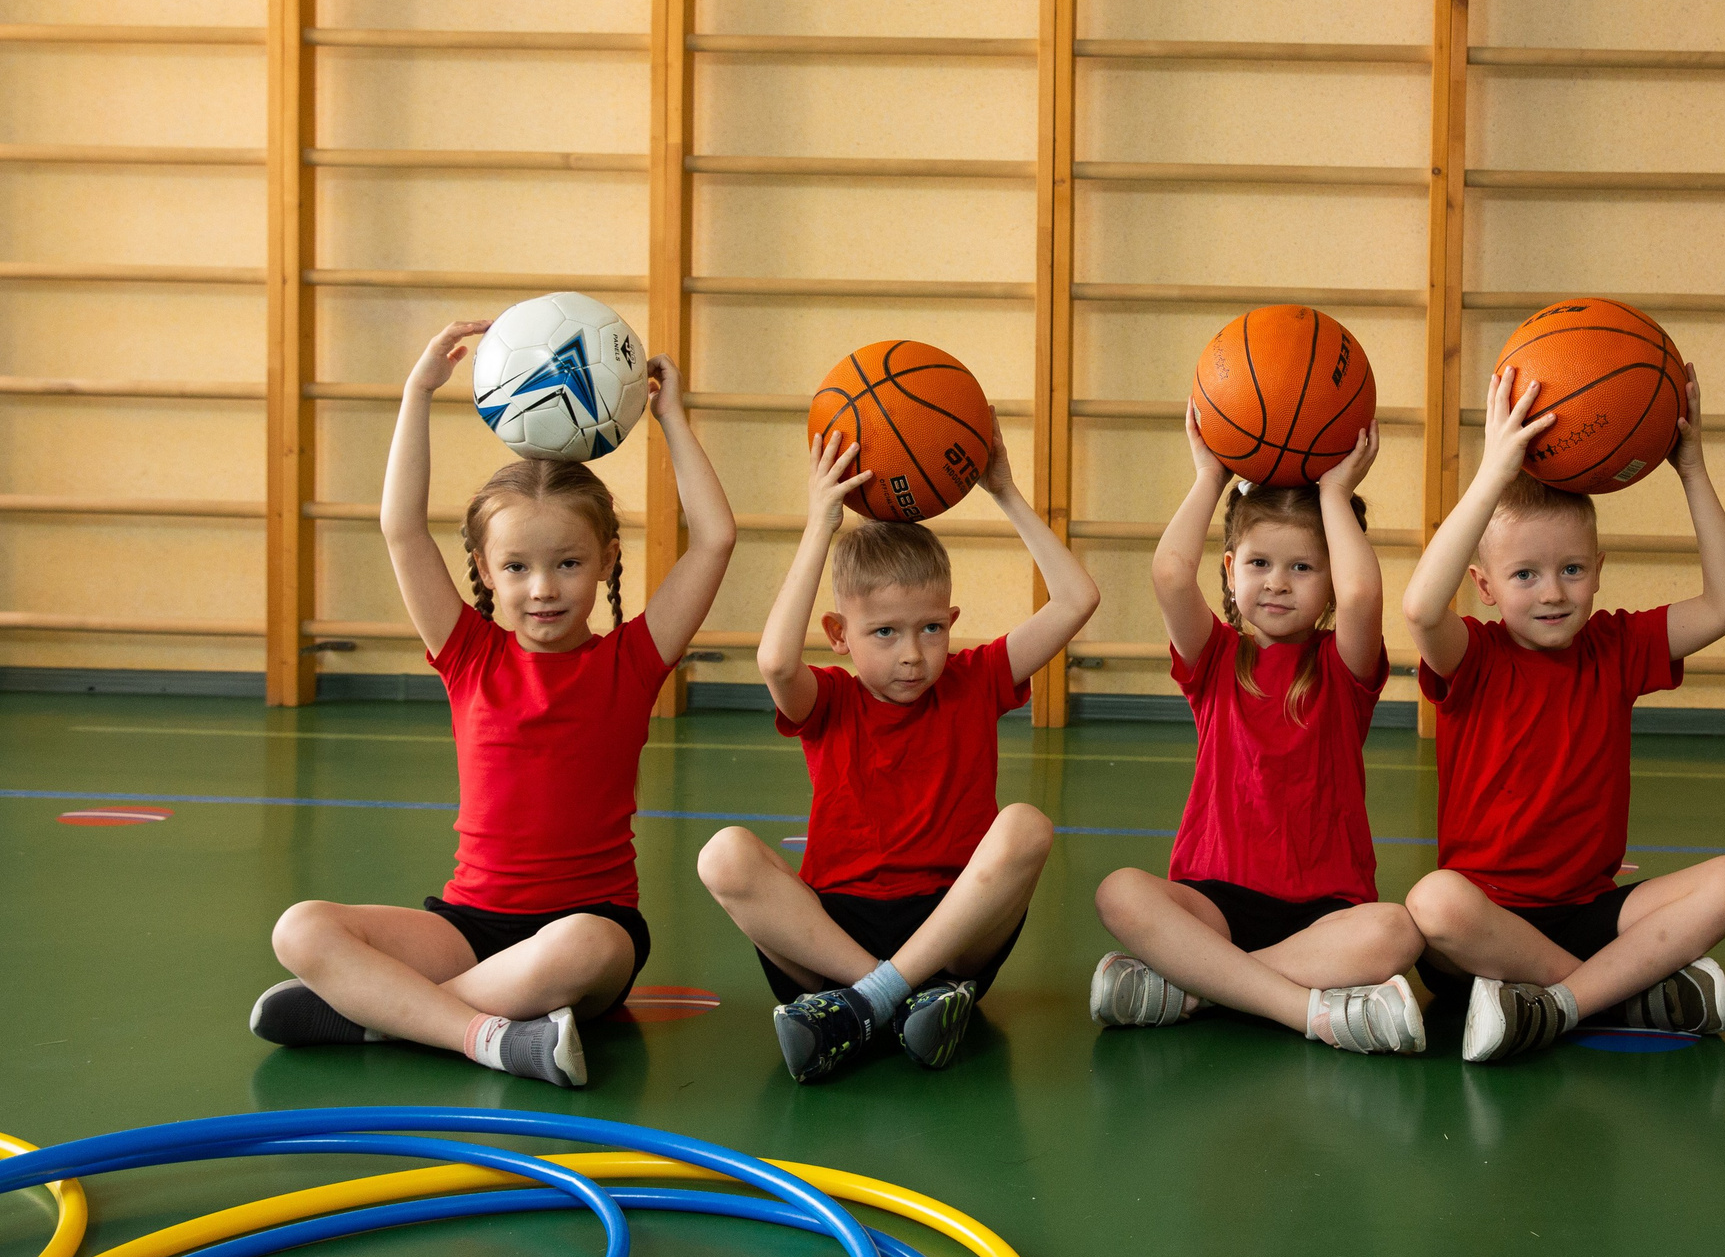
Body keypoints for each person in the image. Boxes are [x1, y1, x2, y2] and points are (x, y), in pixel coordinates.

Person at [253, 319, 735, 1087]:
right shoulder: (468, 653)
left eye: (569, 563)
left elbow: (714, 538)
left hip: (587, 928)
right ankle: (485, 1034)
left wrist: (672, 419)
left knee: (584, 947)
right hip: (468, 927)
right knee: (301, 928)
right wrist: (418, 392)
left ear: (609, 558)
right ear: (484, 567)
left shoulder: (631, 662)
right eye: (517, 566)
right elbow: (401, 527)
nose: (542, 587)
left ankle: (383, 1016)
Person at [695, 427, 1096, 1081]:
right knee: (724, 855)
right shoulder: (828, 700)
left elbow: (1077, 599)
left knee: (1027, 824)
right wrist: (820, 524)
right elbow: (773, 659)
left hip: (951, 925)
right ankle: (889, 997)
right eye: (884, 632)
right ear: (838, 634)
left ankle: (858, 1008)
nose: (913, 653)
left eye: (931, 628)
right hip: (832, 932)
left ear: (950, 619)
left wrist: (1005, 491)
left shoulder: (974, 678)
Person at [1402, 365, 1725, 1063]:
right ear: (1483, 585)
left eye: (1572, 569)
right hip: (1486, 925)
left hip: (1590, 913)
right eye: (1524, 574)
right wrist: (1491, 473)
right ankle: (1618, 996)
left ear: (1599, 569)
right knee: (1433, 902)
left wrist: (1691, 469)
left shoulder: (1617, 646)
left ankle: (1558, 1004)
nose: (1552, 592)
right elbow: (1419, 608)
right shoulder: (1473, 656)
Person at [1089, 413, 1426, 1055]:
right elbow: (1168, 574)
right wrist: (1209, 477)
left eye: (1303, 567)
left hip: (1324, 910)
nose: (1276, 581)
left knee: (1397, 933)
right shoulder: (1215, 658)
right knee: (1119, 892)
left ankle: (1198, 987)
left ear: (1328, 583)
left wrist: (1335, 497)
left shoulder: (1340, 666)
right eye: (1260, 562)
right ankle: (1306, 1009)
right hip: (1214, 902)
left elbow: (1363, 595)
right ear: (1231, 568)